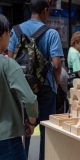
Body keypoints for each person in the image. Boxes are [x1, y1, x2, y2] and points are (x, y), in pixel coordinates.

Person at [7, 0, 63, 159]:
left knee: (24, 128)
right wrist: (56, 84)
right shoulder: (52, 33)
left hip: (22, 87)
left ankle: (23, 156)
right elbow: (57, 64)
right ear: (45, 10)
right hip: (45, 88)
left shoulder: (15, 31)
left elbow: (10, 60)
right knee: (46, 129)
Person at [0, 14, 38, 160]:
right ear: (3, 34)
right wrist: (31, 121)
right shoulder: (8, 64)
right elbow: (29, 99)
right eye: (9, 33)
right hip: (7, 140)